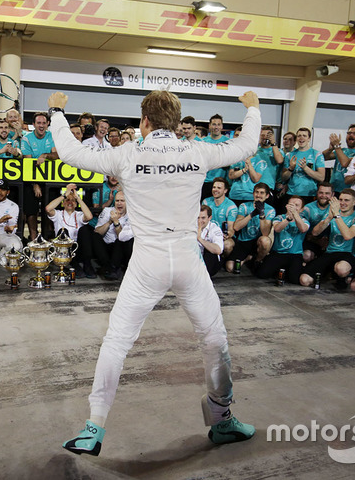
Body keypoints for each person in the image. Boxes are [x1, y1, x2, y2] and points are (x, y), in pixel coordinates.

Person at [51, 89, 261, 456]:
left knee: (117, 340)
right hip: (186, 259)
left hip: (146, 261)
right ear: (177, 124)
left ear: (144, 121)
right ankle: (222, 419)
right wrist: (254, 108)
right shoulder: (197, 151)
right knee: (214, 340)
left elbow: (70, 153)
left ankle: (94, 425)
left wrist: (56, 111)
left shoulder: (128, 153)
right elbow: (246, 146)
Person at [299, 189, 355, 289]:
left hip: (348, 254)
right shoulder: (333, 214)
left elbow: (348, 235)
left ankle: (344, 277)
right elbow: (315, 232)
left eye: (346, 200)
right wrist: (328, 218)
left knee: (341, 269)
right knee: (304, 280)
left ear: (354, 202)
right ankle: (328, 275)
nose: (342, 203)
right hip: (330, 252)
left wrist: (336, 215)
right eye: (341, 200)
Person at [255, 195, 310, 284]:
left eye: (296, 205)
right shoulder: (279, 217)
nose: (293, 207)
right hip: (278, 253)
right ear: (286, 206)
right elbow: (277, 229)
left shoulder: (304, 220)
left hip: (295, 254)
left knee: (294, 279)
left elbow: (303, 229)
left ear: (302, 209)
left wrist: (295, 215)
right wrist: (288, 219)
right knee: (262, 274)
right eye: (291, 205)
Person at [22, 112, 58, 240]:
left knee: (49, 209)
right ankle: (33, 236)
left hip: (51, 179)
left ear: (48, 124)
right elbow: (28, 163)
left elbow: (56, 155)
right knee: (31, 208)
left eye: (44, 123)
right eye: (39, 123)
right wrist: (35, 184)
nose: (41, 126)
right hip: (32, 179)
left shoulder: (52, 136)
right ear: (33, 125)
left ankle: (46, 237)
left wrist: (45, 155)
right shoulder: (26, 138)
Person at [44, 183, 94, 272]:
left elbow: (89, 216)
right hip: (62, 251)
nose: (70, 202)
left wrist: (78, 198)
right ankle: (73, 264)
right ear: (63, 203)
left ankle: (87, 265)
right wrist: (64, 195)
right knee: (63, 232)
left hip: (77, 249)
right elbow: (48, 209)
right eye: (67, 200)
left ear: (76, 204)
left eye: (73, 200)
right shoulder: (58, 214)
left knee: (85, 229)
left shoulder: (79, 215)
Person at [227, 182, 275, 273]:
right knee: (230, 268)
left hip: (257, 242)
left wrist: (261, 214)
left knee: (266, 241)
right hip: (243, 241)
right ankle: (248, 259)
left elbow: (265, 233)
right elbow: (236, 227)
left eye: (262, 193)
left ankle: (257, 260)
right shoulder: (244, 206)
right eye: (256, 192)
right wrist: (251, 215)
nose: (258, 195)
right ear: (253, 194)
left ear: (267, 196)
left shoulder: (270, 210)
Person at [280, 127, 325, 208]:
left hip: (310, 195)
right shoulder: (289, 155)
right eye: (299, 136)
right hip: (292, 194)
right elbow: (283, 178)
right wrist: (290, 169)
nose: (301, 138)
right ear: (296, 139)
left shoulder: (317, 154)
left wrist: (305, 168)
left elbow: (321, 177)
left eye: (304, 136)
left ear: (309, 139)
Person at [92, 189, 131, 280]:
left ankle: (113, 267)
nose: (119, 203)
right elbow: (98, 231)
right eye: (117, 201)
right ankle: (108, 267)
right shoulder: (107, 211)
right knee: (95, 235)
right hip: (106, 247)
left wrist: (116, 222)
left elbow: (122, 236)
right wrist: (109, 222)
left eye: (122, 201)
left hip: (121, 248)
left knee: (122, 239)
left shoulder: (130, 215)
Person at [201, 177, 237, 266]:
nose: (215, 190)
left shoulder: (231, 206)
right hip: (206, 234)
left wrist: (227, 234)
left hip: (221, 236)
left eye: (219, 188)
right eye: (214, 187)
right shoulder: (206, 201)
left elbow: (231, 229)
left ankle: (221, 261)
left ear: (225, 190)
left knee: (228, 245)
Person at [323, 124, 355, 195]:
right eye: (349, 133)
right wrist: (330, 149)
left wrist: (337, 146)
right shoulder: (342, 150)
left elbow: (345, 163)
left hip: (347, 191)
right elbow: (323, 157)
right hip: (333, 189)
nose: (351, 135)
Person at [301, 182, 334, 263]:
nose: (323, 196)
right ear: (317, 193)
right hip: (312, 241)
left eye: (327, 193)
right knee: (306, 255)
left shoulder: (338, 208)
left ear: (333, 194)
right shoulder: (307, 208)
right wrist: (317, 241)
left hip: (332, 243)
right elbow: (303, 232)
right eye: (321, 193)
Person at [200, 114, 230, 200]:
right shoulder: (203, 142)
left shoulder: (228, 142)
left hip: (222, 182)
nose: (216, 127)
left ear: (222, 126)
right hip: (205, 182)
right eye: (214, 124)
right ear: (209, 126)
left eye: (218, 124)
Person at [197, 204, 224, 277]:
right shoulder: (191, 227)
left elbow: (218, 250)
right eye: (198, 218)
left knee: (211, 251)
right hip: (195, 260)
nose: (199, 221)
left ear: (209, 218)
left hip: (210, 263)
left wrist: (200, 239)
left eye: (203, 218)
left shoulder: (215, 229)